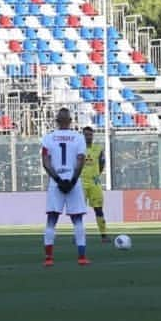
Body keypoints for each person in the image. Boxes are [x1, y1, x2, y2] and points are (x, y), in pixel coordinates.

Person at [41, 108, 90, 267]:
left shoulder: (48, 138)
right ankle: (81, 257)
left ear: (56, 120)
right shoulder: (78, 138)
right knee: (77, 220)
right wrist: (73, 180)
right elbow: (81, 159)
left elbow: (45, 161)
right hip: (73, 181)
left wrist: (57, 179)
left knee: (51, 220)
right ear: (70, 121)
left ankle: (49, 258)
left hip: (56, 182)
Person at [80, 126, 109, 243]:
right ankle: (79, 235)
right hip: (81, 182)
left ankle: (104, 235)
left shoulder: (98, 149)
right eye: (86, 135)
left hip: (94, 183)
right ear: (82, 136)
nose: (88, 137)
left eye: (90, 135)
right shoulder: (78, 149)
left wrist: (96, 175)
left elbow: (102, 164)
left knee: (98, 209)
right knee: (79, 211)